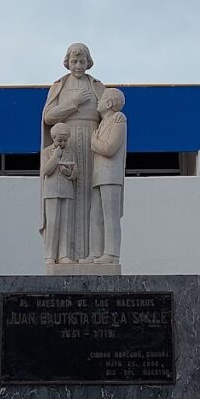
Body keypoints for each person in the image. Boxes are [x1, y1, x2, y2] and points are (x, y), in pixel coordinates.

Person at [41, 43, 105, 261]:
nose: (78, 65)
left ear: (89, 62)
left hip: (92, 140)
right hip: (65, 140)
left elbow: (108, 113)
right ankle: (62, 254)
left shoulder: (97, 86)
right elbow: (49, 117)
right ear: (67, 61)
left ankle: (93, 253)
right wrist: (74, 103)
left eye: (82, 61)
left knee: (91, 194)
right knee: (66, 197)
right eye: (74, 61)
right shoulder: (60, 85)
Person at [84, 88, 126, 265]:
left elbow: (109, 149)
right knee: (96, 216)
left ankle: (112, 253)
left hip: (111, 175)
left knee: (110, 216)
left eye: (101, 100)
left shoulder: (119, 120)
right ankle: (95, 252)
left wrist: (93, 142)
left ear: (109, 104)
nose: (98, 102)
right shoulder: (102, 123)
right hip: (99, 175)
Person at [40, 123, 78, 264]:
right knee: (53, 223)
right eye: (59, 140)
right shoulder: (46, 152)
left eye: (65, 140)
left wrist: (69, 172)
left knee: (66, 223)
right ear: (53, 138)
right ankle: (50, 255)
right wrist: (55, 157)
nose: (62, 143)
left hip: (67, 190)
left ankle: (64, 254)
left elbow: (75, 173)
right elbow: (45, 171)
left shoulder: (70, 152)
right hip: (51, 192)